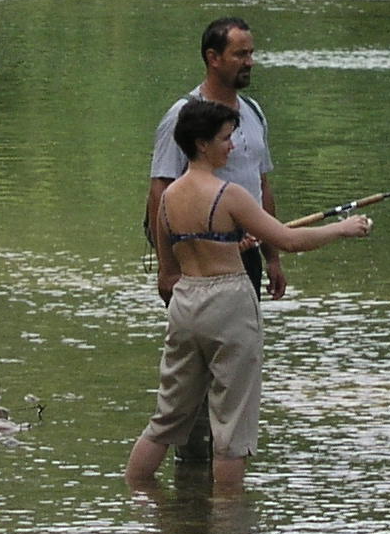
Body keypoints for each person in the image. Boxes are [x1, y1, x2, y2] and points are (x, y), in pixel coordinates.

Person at [127, 98, 370, 491]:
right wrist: (344, 228)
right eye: (225, 138)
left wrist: (227, 245)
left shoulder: (167, 199)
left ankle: (139, 503)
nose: (233, 146)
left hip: (186, 304)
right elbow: (289, 240)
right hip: (230, 305)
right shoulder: (231, 194)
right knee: (232, 430)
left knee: (166, 420)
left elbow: (172, 266)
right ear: (202, 144)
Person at [146, 17, 282, 300]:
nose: (249, 62)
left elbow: (262, 185)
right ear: (213, 58)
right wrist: (167, 269)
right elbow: (160, 190)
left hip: (248, 257)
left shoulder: (254, 111)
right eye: (240, 54)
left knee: (244, 343)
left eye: (251, 53)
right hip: (199, 262)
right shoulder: (182, 116)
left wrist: (273, 258)